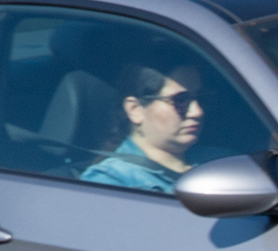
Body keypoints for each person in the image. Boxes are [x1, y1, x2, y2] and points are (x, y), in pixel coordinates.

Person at [80, 62, 204, 193]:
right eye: (181, 100)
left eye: (202, 98)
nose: (197, 111)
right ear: (135, 110)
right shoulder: (110, 180)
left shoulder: (219, 160)